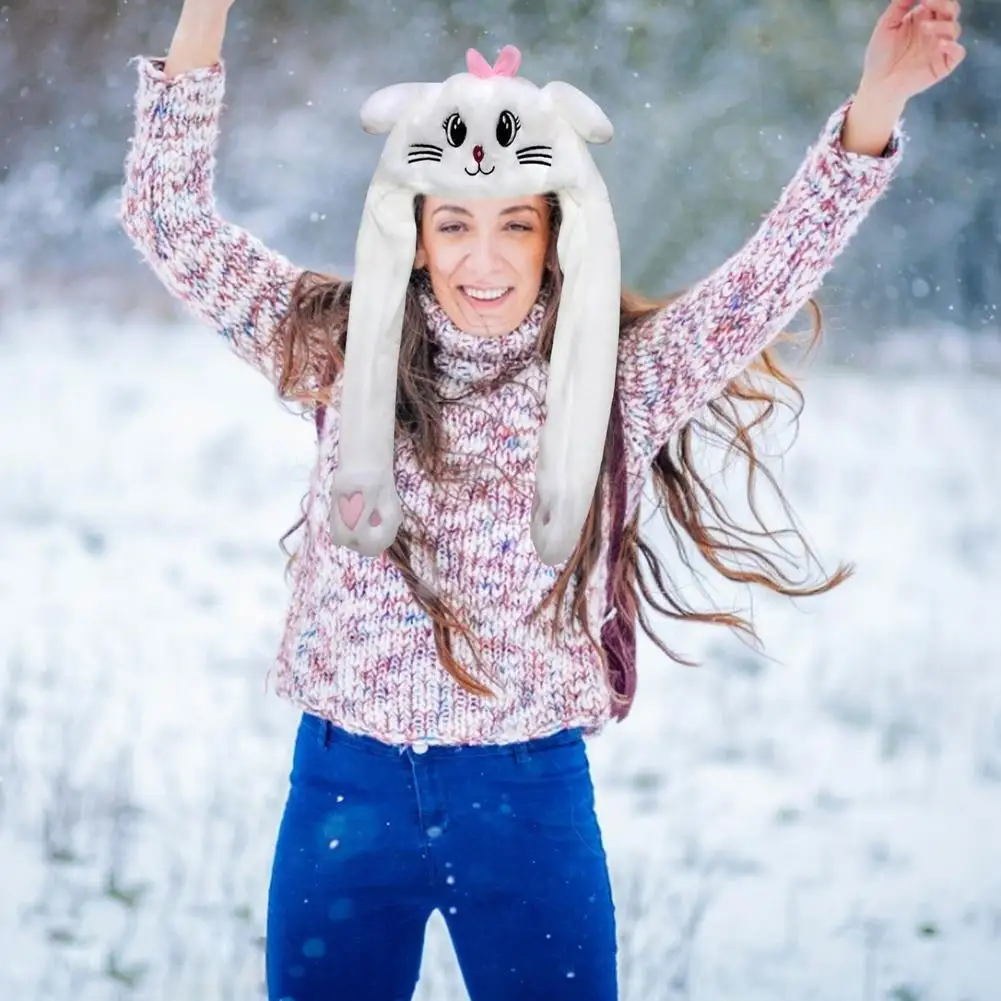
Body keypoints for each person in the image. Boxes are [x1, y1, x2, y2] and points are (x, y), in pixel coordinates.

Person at [119, 1, 965, 998]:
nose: (483, 257)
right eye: (455, 223)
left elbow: (760, 283)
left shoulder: (619, 379)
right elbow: (166, 219)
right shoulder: (341, 348)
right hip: (345, 789)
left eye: (514, 223)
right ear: (417, 232)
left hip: (524, 800)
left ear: (555, 234)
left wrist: (872, 104)